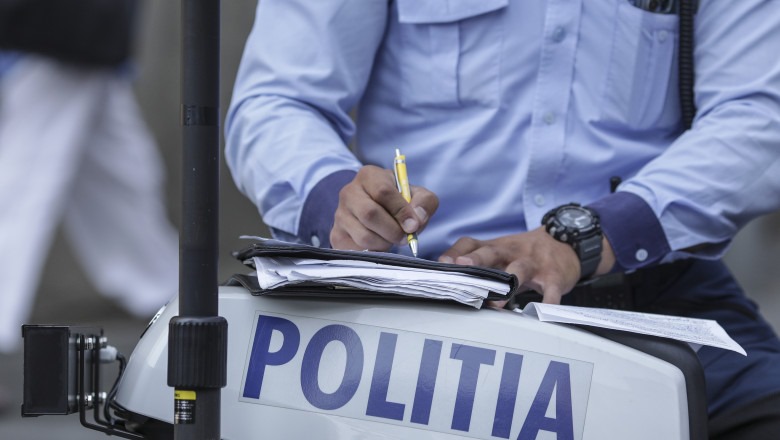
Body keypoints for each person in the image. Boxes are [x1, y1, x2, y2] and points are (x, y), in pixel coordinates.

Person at [225, 0, 780, 437]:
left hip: (646, 293)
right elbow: (277, 100)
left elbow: (759, 113)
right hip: (412, 304)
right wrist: (340, 202)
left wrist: (588, 238)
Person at [0, 50, 179, 356]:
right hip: (52, 43)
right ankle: (169, 296)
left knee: (122, 178)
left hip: (92, 44)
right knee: (23, 191)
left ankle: (168, 294)